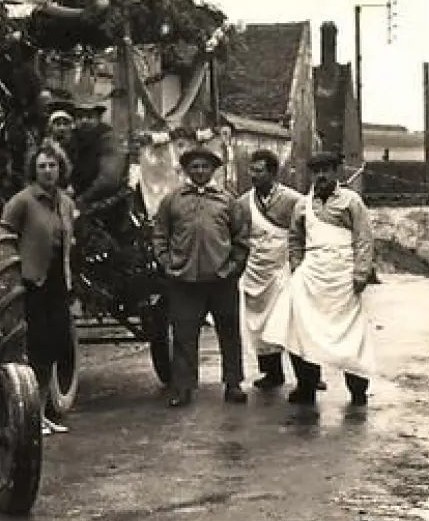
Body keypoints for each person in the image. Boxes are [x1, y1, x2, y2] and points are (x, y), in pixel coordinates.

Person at [151, 144, 251, 407]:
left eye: (205, 166)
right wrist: (167, 263)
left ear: (213, 170)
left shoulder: (227, 201)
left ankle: (233, 383)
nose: (199, 171)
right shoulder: (173, 200)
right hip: (184, 281)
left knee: (229, 332)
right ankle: (183, 387)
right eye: (194, 166)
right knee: (184, 335)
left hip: (221, 280)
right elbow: (160, 234)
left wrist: (232, 268)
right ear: (186, 170)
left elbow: (241, 238)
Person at [283, 151, 376, 407]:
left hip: (343, 277)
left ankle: (357, 391)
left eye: (326, 170)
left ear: (337, 172)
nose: (321, 176)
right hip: (311, 277)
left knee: (350, 333)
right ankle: (306, 386)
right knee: (301, 329)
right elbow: (295, 239)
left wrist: (360, 273)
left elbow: (363, 238)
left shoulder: (351, 201)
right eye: (316, 171)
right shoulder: (302, 205)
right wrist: (297, 268)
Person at [2, 141, 78, 435]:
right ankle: (29, 416)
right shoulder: (22, 201)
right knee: (36, 348)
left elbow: (67, 243)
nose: (48, 171)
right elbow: (4, 239)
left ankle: (43, 412)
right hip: (31, 283)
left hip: (57, 280)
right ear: (34, 170)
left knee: (57, 346)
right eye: (42, 166)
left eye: (53, 165)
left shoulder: (66, 203)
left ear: (61, 168)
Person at [237, 148, 304, 391]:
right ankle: (272, 373)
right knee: (260, 324)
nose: (254, 175)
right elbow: (240, 235)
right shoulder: (243, 203)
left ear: (273, 173)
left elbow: (303, 234)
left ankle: (308, 376)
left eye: (259, 171)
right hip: (256, 270)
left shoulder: (293, 200)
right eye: (251, 170)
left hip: (284, 268)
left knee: (292, 322)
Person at [67, 101, 128, 206]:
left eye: (89, 117)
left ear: (98, 119)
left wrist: (82, 199)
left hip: (106, 204)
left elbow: (109, 180)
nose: (84, 121)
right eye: (80, 117)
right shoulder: (74, 139)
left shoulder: (108, 140)